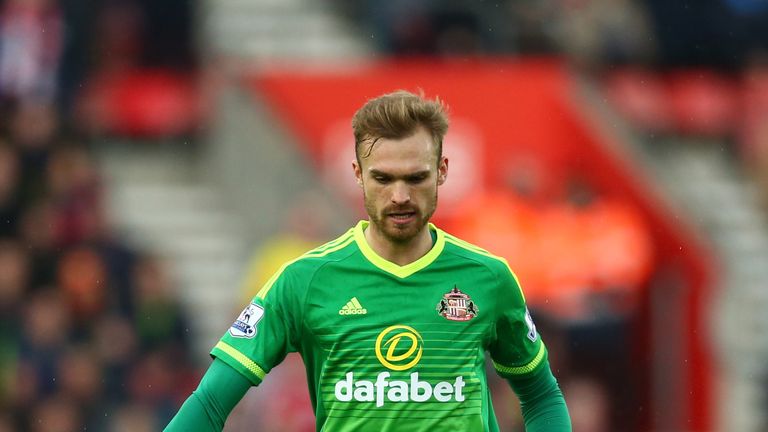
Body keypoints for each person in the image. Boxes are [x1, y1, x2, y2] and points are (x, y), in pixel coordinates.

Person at [165, 90, 571, 431]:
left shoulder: (488, 278)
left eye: (415, 178)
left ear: (442, 171)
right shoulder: (304, 280)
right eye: (383, 178)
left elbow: (541, 395)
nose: (399, 195)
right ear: (358, 174)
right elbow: (210, 403)